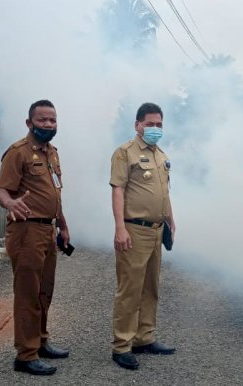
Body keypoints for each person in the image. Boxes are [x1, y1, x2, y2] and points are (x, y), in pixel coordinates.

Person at [0, 99, 71, 376]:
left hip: (47, 230)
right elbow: (1, 191)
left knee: (44, 290)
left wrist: (62, 225)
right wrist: (10, 204)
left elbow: (56, 192)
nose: (49, 125)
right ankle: (25, 356)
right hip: (26, 230)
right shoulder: (18, 153)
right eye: (42, 120)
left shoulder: (52, 153)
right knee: (27, 294)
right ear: (30, 123)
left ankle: (40, 342)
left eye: (52, 120)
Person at [109, 102, 176, 370]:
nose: (155, 128)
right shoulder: (125, 153)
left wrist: (170, 218)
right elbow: (117, 190)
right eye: (150, 124)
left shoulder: (160, 154)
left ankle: (144, 337)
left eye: (159, 124)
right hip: (134, 229)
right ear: (137, 125)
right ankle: (122, 345)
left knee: (151, 288)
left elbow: (164, 191)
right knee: (130, 290)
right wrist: (119, 228)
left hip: (156, 230)